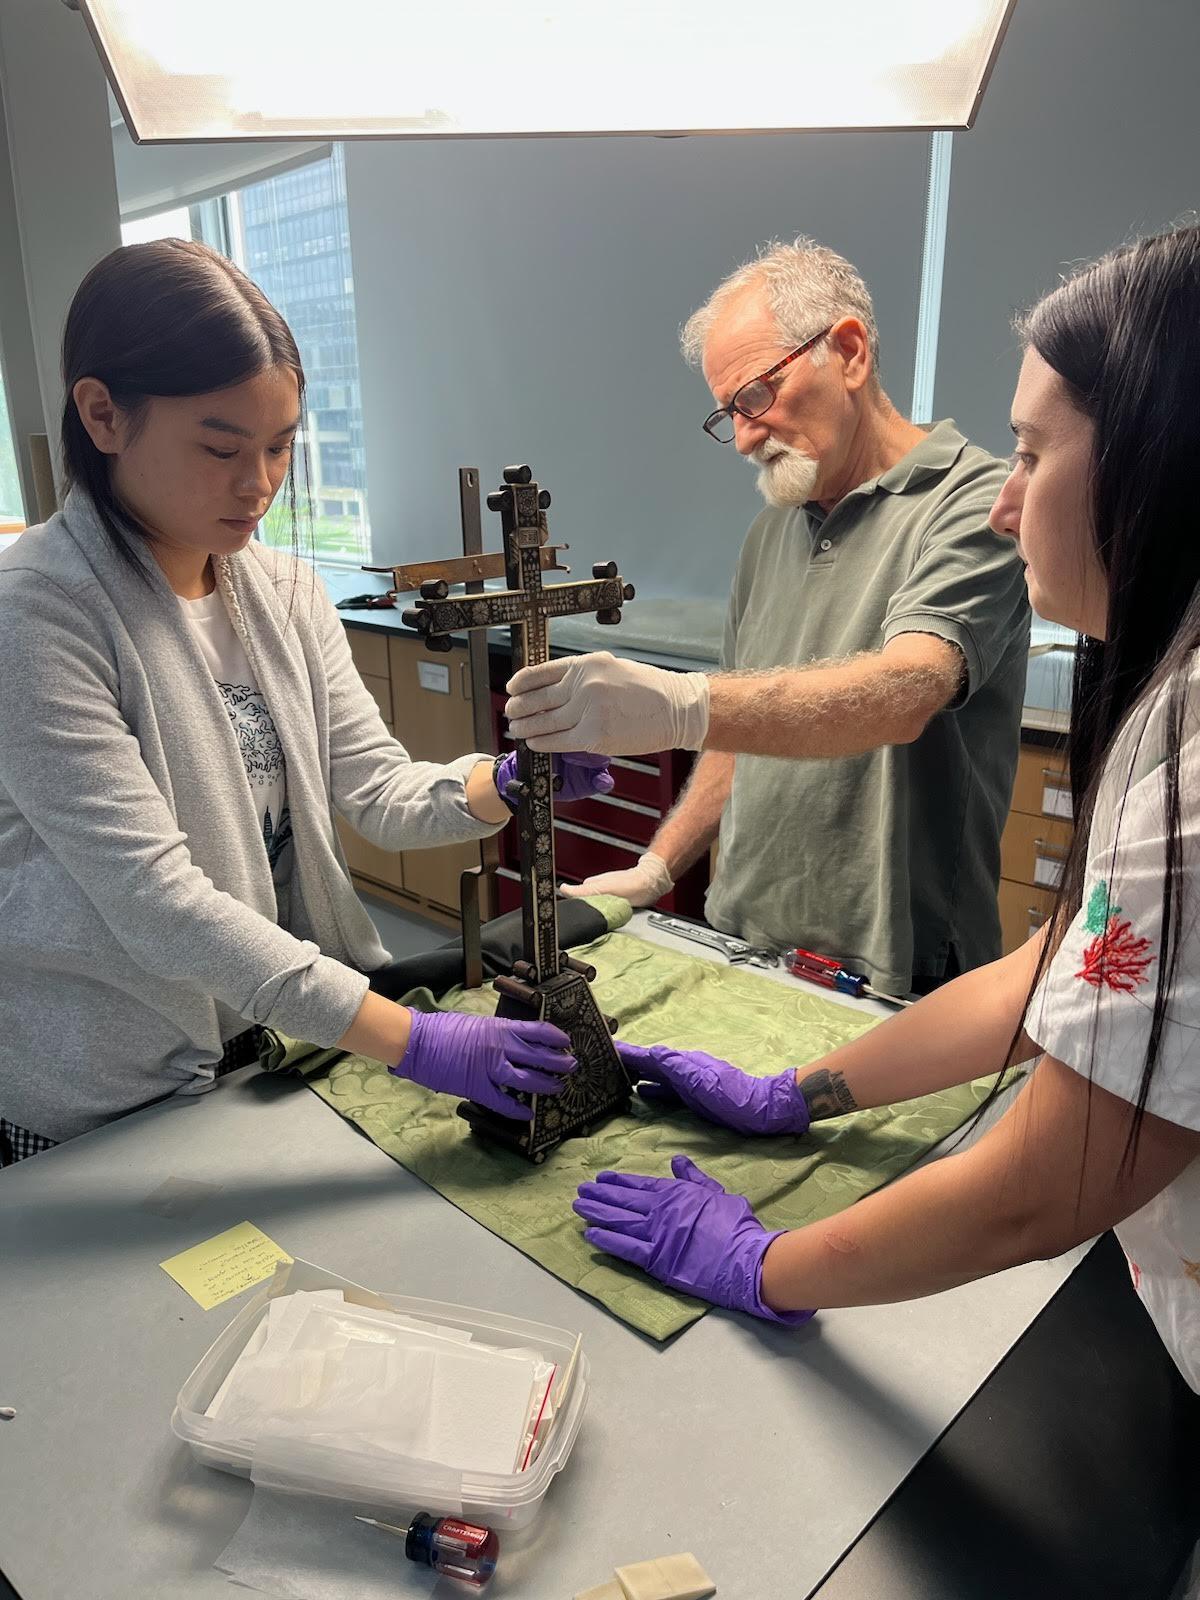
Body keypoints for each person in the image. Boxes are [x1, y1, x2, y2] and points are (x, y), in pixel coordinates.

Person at [572, 224, 1200, 1406]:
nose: (1014, 506)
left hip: (891, 955)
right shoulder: (1173, 702)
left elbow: (1042, 1184)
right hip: (767, 945)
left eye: (1034, 453)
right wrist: (801, 1090)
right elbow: (1056, 972)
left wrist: (766, 1261)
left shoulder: (1191, 768)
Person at [0, 239, 612, 1165]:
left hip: (280, 1045)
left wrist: (507, 783)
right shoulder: (38, 615)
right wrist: (418, 1043)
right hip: (111, 1093)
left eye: (282, 445)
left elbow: (375, 794)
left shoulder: (281, 593)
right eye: (220, 447)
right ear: (103, 415)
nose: (260, 484)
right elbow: (159, 903)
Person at [506, 239, 1030, 995]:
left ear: (848, 352)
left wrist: (682, 705)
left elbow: (908, 689)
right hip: (741, 935)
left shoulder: (973, 504)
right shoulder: (773, 530)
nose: (746, 436)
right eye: (728, 414)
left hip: (891, 965)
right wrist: (656, 868)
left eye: (755, 396)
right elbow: (739, 730)